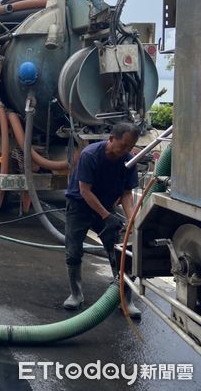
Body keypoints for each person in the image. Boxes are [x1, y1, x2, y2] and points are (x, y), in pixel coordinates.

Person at [63, 122, 142, 319]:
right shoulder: (91, 155)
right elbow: (85, 191)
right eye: (123, 145)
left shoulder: (128, 161)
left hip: (107, 206)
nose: (126, 150)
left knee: (119, 251)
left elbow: (126, 194)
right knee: (73, 252)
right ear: (111, 139)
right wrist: (107, 217)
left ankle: (124, 298)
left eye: (130, 146)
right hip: (80, 206)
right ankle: (76, 294)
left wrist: (132, 219)